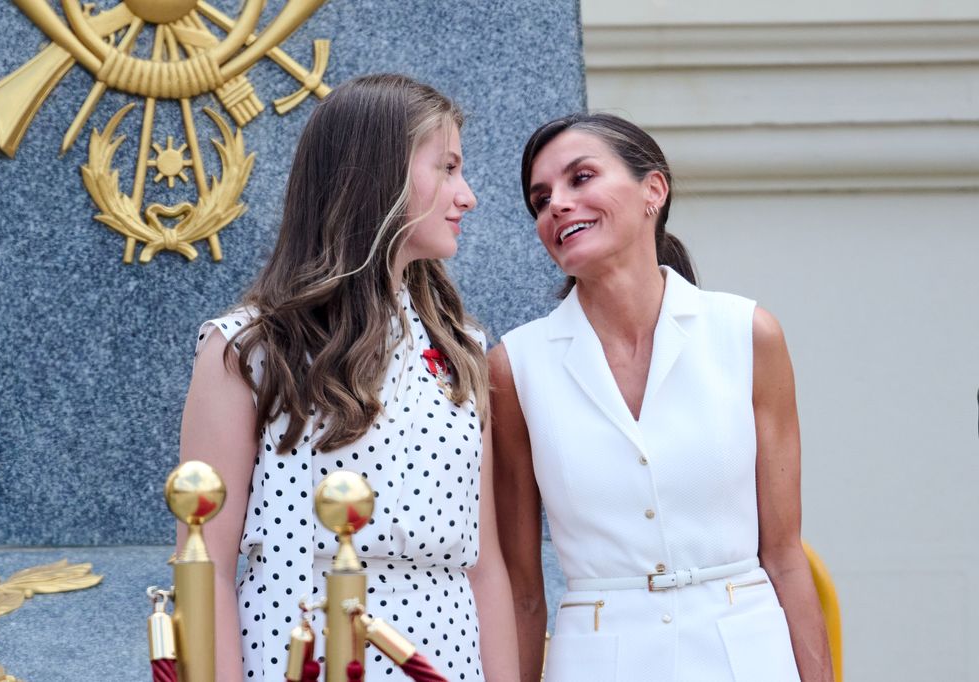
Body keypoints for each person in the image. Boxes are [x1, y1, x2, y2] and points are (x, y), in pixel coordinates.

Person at [178, 73, 519, 681]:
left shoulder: (463, 348)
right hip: (304, 653)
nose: (467, 195)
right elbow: (204, 563)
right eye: (446, 168)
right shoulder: (248, 349)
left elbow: (484, 564)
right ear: (376, 173)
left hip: (448, 657)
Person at [489, 113, 833, 681]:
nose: (557, 204)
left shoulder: (746, 333)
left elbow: (785, 555)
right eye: (540, 197)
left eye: (581, 178)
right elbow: (524, 593)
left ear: (654, 189)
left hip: (746, 653)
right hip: (597, 660)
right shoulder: (516, 366)